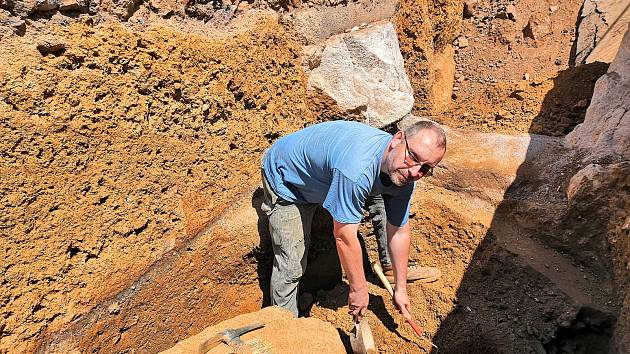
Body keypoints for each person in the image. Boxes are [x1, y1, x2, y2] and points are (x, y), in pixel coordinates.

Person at [260, 119, 446, 321]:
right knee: (291, 264)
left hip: (329, 177)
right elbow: (344, 237)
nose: (414, 171)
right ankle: (283, 326)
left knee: (387, 193)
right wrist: (358, 289)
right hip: (288, 182)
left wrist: (401, 289)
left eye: (425, 168)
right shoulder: (356, 170)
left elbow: (399, 230)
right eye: (413, 157)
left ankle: (389, 270)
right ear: (397, 139)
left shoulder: (402, 169)